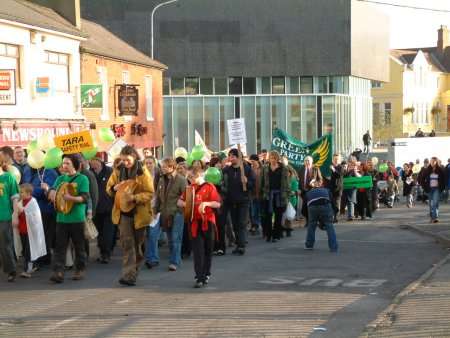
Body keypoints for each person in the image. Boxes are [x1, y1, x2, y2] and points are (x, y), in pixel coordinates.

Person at [106, 146, 154, 286]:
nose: (125, 162)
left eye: (127, 160)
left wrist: (134, 197)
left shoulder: (143, 172)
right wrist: (114, 188)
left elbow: (150, 193)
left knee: (138, 246)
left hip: (139, 213)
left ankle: (134, 270)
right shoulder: (118, 170)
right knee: (127, 245)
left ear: (134, 157)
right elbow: (109, 188)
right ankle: (128, 275)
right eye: (122, 160)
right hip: (123, 213)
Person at [47, 154, 90, 283]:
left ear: (75, 165)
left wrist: (71, 199)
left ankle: (79, 270)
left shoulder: (83, 179)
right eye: (63, 163)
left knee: (79, 246)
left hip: (77, 218)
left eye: (67, 163)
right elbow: (52, 193)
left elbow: (85, 198)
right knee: (60, 247)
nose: (64, 166)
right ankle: (58, 272)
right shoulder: (60, 178)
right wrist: (50, 192)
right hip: (62, 219)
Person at [178, 165, 221, 288]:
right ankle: (199, 277)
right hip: (195, 223)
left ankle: (206, 273)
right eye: (189, 177)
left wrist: (206, 203)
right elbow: (179, 201)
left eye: (192, 176)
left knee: (208, 250)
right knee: (198, 251)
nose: (190, 179)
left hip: (208, 222)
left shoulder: (209, 186)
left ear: (200, 175)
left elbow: (217, 204)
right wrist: (187, 203)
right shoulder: (189, 188)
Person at [146, 158, 186, 271]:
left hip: (176, 213)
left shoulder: (181, 180)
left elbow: (186, 198)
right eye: (162, 166)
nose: (162, 168)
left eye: (164, 167)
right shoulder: (161, 180)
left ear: (171, 167)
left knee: (175, 238)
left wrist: (180, 207)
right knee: (167, 237)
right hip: (162, 213)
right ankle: (154, 259)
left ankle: (174, 262)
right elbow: (158, 197)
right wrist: (155, 211)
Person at [221, 148, 255, 255]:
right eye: (229, 156)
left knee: (241, 223)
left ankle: (241, 246)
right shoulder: (226, 170)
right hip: (231, 201)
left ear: (238, 157)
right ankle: (238, 244)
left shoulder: (246, 169)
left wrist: (247, 182)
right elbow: (223, 184)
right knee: (235, 224)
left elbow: (253, 184)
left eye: (233, 156)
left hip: (243, 200)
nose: (230, 158)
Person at [304, 167, 338, 252]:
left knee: (311, 225)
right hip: (325, 204)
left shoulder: (309, 192)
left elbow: (305, 206)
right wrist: (335, 213)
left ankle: (309, 245)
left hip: (312, 205)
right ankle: (333, 247)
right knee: (329, 225)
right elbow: (333, 202)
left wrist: (306, 217)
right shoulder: (326, 190)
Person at [16, 183, 46, 278]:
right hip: (22, 230)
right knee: (25, 249)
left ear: (28, 193)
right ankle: (35, 265)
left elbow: (35, 216)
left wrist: (23, 210)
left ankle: (27, 269)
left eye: (22, 192)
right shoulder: (21, 202)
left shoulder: (33, 202)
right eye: (20, 192)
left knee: (29, 250)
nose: (20, 194)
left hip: (30, 232)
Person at [30, 165, 58, 266]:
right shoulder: (37, 172)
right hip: (38, 208)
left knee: (45, 235)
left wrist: (31, 191)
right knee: (41, 234)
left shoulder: (50, 172)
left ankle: (44, 258)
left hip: (47, 209)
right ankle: (43, 257)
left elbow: (48, 192)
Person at [261, 151, 289, 242]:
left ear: (277, 158)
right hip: (268, 194)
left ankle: (276, 235)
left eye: (274, 158)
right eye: (271, 158)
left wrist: (286, 194)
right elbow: (262, 181)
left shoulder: (283, 168)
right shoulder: (265, 168)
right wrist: (263, 192)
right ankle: (268, 234)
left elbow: (286, 182)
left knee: (278, 215)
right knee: (268, 215)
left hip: (279, 195)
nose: (272, 159)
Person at [90, 157, 114, 263]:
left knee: (108, 232)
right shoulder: (90, 173)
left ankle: (106, 253)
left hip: (109, 207)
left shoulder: (110, 171)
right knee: (99, 232)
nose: (93, 166)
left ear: (100, 163)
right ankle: (102, 252)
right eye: (92, 164)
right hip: (96, 208)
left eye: (95, 164)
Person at [0, 152, 20, 282]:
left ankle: (11, 270)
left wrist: (15, 215)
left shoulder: (8, 178)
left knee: (5, 244)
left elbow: (15, 198)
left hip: (4, 216)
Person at [422, 157, 445, 223]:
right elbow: (422, 179)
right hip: (429, 189)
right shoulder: (427, 170)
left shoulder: (440, 170)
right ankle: (432, 217)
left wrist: (441, 187)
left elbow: (443, 180)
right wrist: (425, 187)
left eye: (433, 161)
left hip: (436, 189)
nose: (432, 162)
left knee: (435, 203)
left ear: (436, 162)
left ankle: (435, 218)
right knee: (431, 204)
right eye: (431, 161)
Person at [249, 154, 262, 235]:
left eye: (253, 161)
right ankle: (254, 225)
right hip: (252, 194)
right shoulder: (250, 169)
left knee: (259, 210)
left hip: (260, 193)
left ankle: (257, 225)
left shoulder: (262, 169)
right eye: (251, 162)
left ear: (257, 161)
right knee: (253, 211)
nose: (252, 163)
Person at [283, 165, 299, 237]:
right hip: (283, 199)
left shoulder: (293, 179)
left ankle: (288, 229)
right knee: (284, 215)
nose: (286, 174)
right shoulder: (283, 180)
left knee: (289, 215)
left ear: (290, 172)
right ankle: (285, 228)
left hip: (291, 199)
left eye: (287, 172)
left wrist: (288, 192)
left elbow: (294, 191)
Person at [298, 156, 314, 222]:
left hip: (312, 190)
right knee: (305, 207)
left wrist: (314, 184)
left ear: (311, 162)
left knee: (310, 206)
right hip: (303, 191)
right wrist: (299, 189)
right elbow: (299, 180)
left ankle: (310, 220)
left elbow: (320, 180)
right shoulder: (301, 169)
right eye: (305, 161)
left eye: (308, 160)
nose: (307, 162)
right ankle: (308, 219)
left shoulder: (315, 169)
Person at [329, 154, 344, 222]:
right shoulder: (330, 166)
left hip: (338, 188)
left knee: (337, 203)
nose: (335, 160)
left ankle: (336, 216)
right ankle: (332, 215)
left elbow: (339, 175)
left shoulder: (341, 167)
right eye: (334, 159)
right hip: (331, 188)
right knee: (332, 202)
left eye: (337, 159)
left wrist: (334, 169)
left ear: (339, 160)